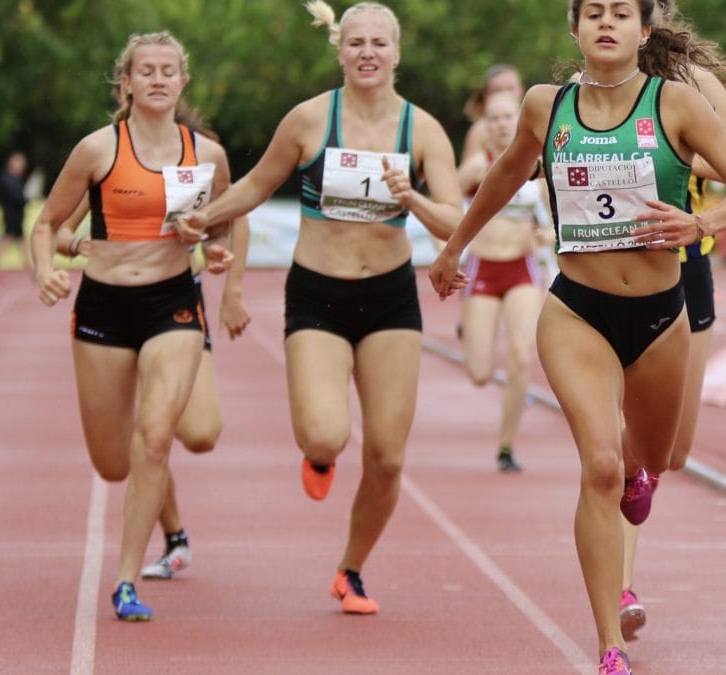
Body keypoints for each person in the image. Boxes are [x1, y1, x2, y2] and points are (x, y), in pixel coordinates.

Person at [430, 1, 726, 671]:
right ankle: (609, 643)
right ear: (575, 28)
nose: (606, 23)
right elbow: (503, 177)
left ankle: (642, 470)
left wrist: (699, 225)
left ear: (645, 30)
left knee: (654, 457)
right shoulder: (542, 106)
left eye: (621, 13)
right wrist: (454, 247)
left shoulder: (675, 104)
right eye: (593, 13)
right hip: (577, 309)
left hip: (659, 314)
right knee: (600, 464)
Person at [174, 1, 463, 615]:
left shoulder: (424, 130)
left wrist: (411, 197)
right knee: (326, 434)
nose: (367, 52)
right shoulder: (309, 120)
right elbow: (253, 185)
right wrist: (207, 215)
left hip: (389, 297)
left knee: (387, 455)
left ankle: (350, 570)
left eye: (379, 43)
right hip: (318, 295)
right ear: (339, 50)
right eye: (355, 42)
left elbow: (455, 222)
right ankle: (320, 454)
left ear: (397, 52)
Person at [29, 31, 236, 621]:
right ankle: (169, 523)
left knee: (156, 437)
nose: (157, 79)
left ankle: (125, 582)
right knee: (113, 463)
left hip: (172, 303)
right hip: (102, 308)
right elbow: (46, 223)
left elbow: (225, 219)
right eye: (145, 71)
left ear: (182, 81)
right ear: (126, 82)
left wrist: (218, 251)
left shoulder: (209, 155)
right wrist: (46, 269)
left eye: (168, 70)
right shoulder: (98, 149)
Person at [616, 0, 726, 642]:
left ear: (652, 17)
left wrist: (684, 158)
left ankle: (639, 467)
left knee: (672, 451)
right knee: (613, 447)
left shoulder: (692, 84)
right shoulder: (581, 92)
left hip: (687, 270)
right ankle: (620, 587)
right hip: (611, 276)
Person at [55, 194, 251, 581]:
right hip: (113, 303)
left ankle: (151, 437)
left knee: (201, 433)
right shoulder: (107, 154)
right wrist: (79, 245)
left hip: (176, 301)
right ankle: (175, 535)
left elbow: (233, 216)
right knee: (143, 443)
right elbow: (56, 228)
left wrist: (231, 286)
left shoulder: (198, 151)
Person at [457, 91, 552, 473]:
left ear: (520, 119)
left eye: (507, 117)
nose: (500, 124)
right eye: (493, 118)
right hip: (483, 269)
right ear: (484, 125)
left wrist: (550, 237)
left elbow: (555, 221)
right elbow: (446, 207)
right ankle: (472, 334)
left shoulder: (539, 166)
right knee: (479, 373)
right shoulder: (476, 167)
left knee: (520, 358)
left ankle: (506, 446)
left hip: (522, 270)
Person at [461, 64, 525, 161]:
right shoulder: (479, 130)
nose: (504, 93)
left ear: (521, 90)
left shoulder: (535, 121)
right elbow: (467, 171)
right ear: (486, 95)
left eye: (509, 88)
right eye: (497, 90)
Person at [0, 151, 32, 280]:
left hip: (18, 216)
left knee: (23, 242)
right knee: (5, 240)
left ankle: (30, 269)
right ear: (11, 163)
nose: (21, 165)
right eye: (18, 162)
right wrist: (26, 199)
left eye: (22, 163)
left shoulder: (16, 179)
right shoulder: (5, 179)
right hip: (10, 216)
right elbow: (17, 197)